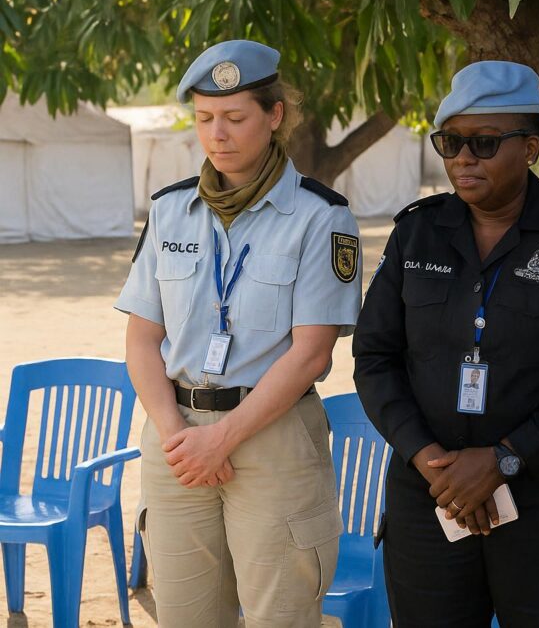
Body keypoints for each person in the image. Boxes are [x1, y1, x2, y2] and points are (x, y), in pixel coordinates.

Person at [354, 60, 539, 627]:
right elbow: (374, 358)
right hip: (430, 501)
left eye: (484, 143)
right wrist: (429, 459)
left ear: (530, 147)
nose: (463, 157)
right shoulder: (416, 230)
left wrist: (504, 459)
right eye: (451, 142)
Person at [115, 39, 361, 627]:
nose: (216, 134)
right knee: (187, 618)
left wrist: (221, 440)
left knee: (282, 616)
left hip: (271, 438)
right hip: (175, 444)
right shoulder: (171, 211)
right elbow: (142, 340)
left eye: (234, 117)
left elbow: (310, 354)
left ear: (274, 116)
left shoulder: (320, 218)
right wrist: (180, 436)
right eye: (203, 119)